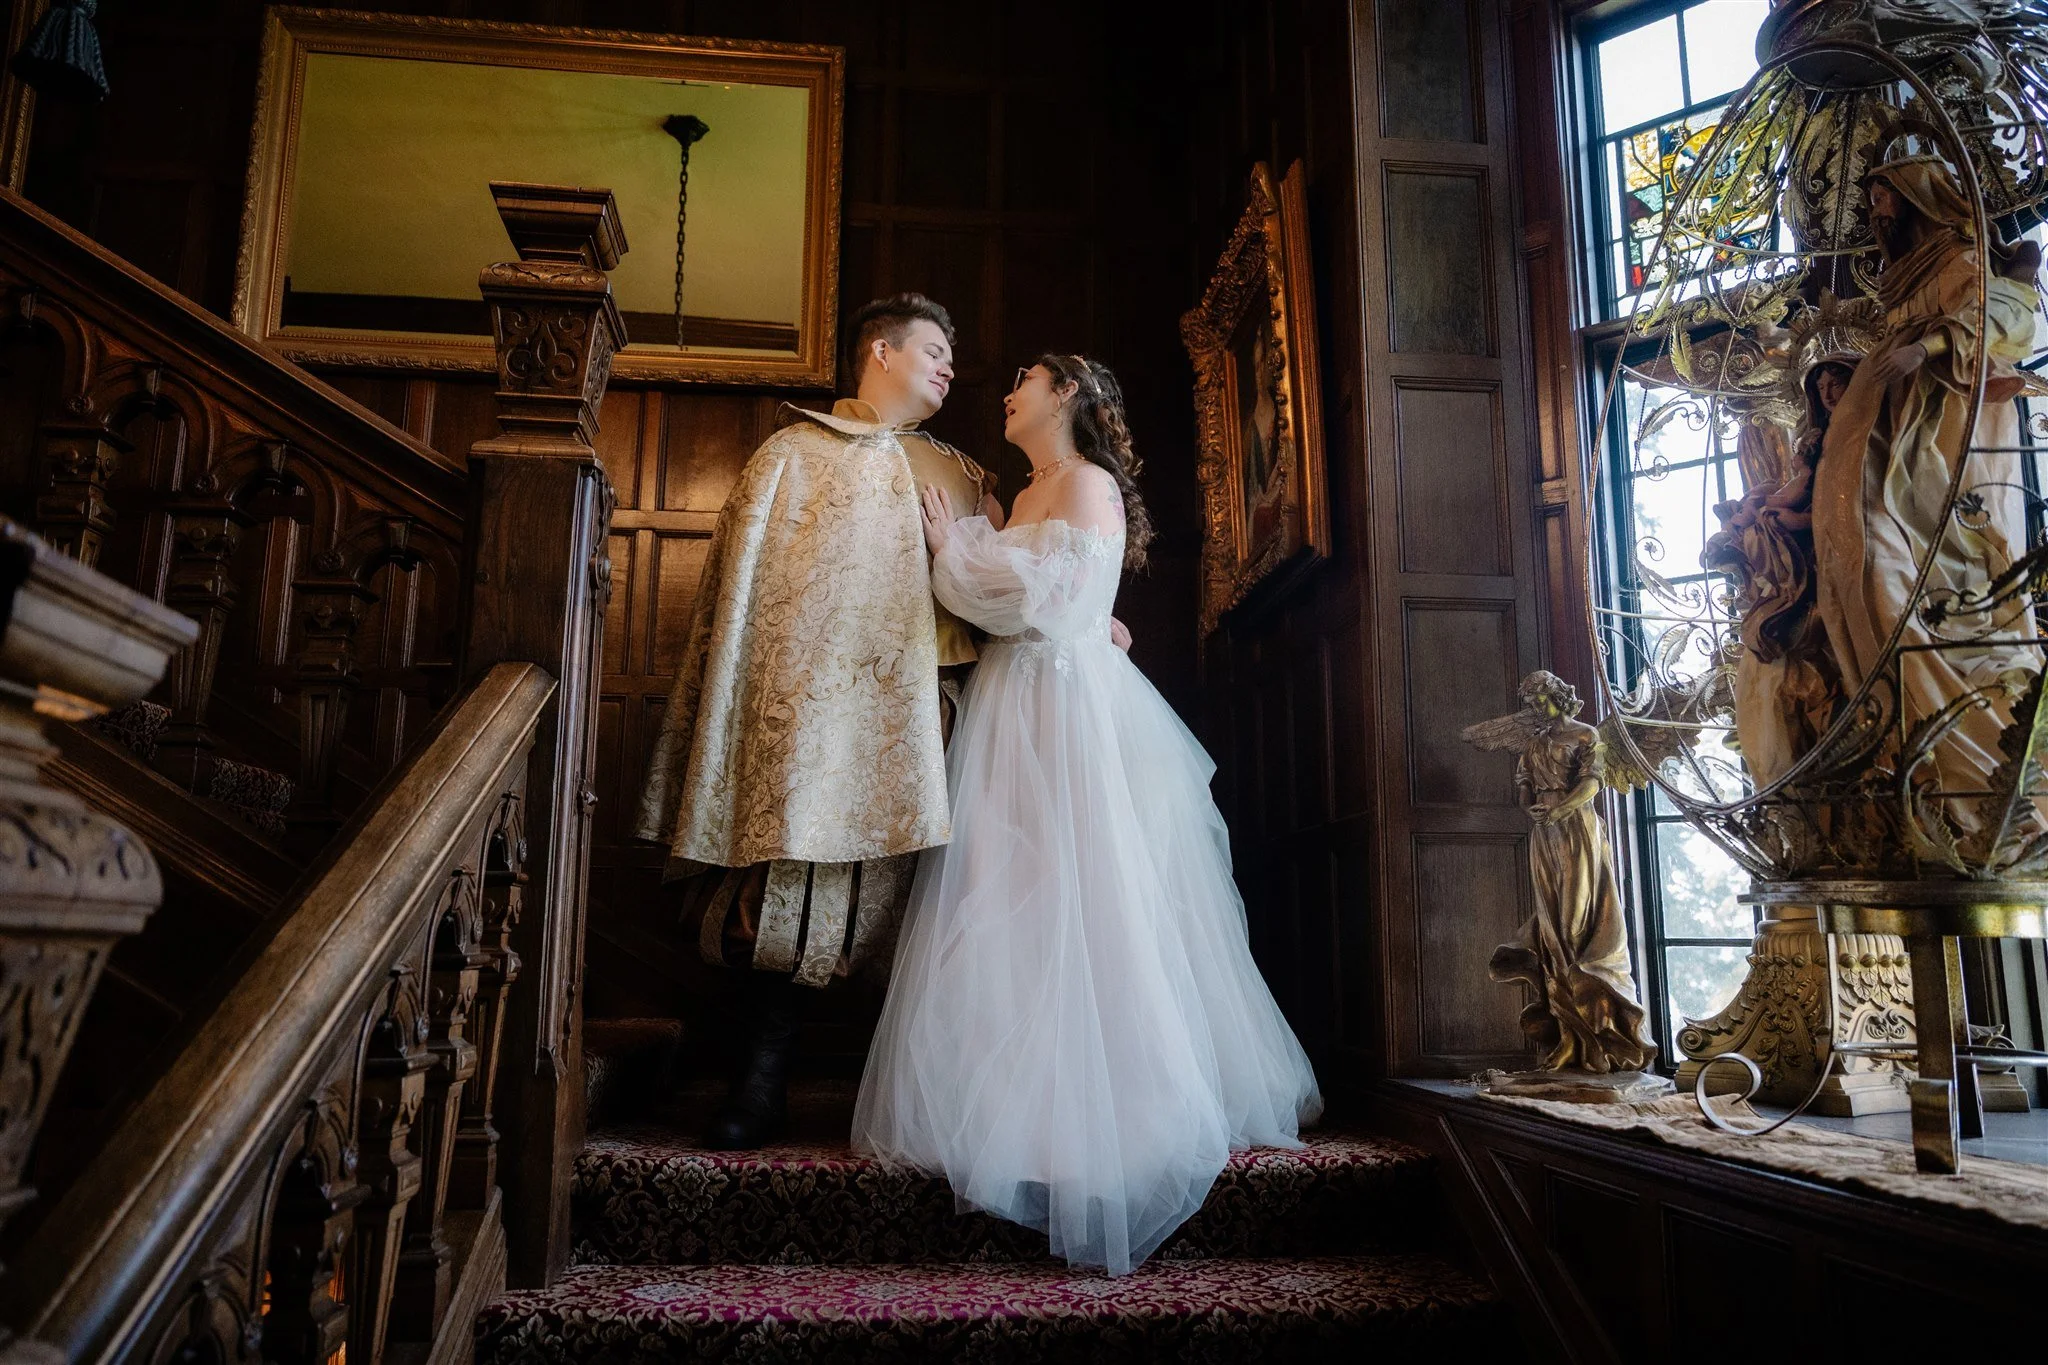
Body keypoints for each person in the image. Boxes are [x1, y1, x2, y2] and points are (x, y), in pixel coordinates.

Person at [852, 354, 1322, 1275]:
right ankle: (1020, 1118)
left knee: (1084, 898)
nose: (1008, 390)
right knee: (1008, 899)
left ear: (1069, 394)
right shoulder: (1024, 494)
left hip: (1064, 712)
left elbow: (1044, 599)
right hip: (1014, 705)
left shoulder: (1087, 482)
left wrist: (958, 552)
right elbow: (1032, 599)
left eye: (1025, 377)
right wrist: (984, 555)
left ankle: (1114, 1119)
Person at [633, 294, 995, 1149]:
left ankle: (918, 1102)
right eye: (935, 349)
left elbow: (994, 599)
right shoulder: (792, 455)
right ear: (880, 350)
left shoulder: (965, 473)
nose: (950, 367)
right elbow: (757, 603)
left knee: (931, 904)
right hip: (817, 720)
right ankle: (759, 1085)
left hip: (936, 716)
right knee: (787, 897)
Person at [1810, 152, 2042, 836]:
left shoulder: (1960, 258)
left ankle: (1973, 754)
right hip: (1891, 424)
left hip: (1944, 431)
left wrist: (1932, 344)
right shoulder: (1897, 277)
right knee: (1871, 556)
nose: (1876, 210)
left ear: (1918, 197)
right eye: (1874, 197)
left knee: (1952, 558)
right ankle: (1905, 732)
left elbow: (2009, 317)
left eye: (1885, 196)